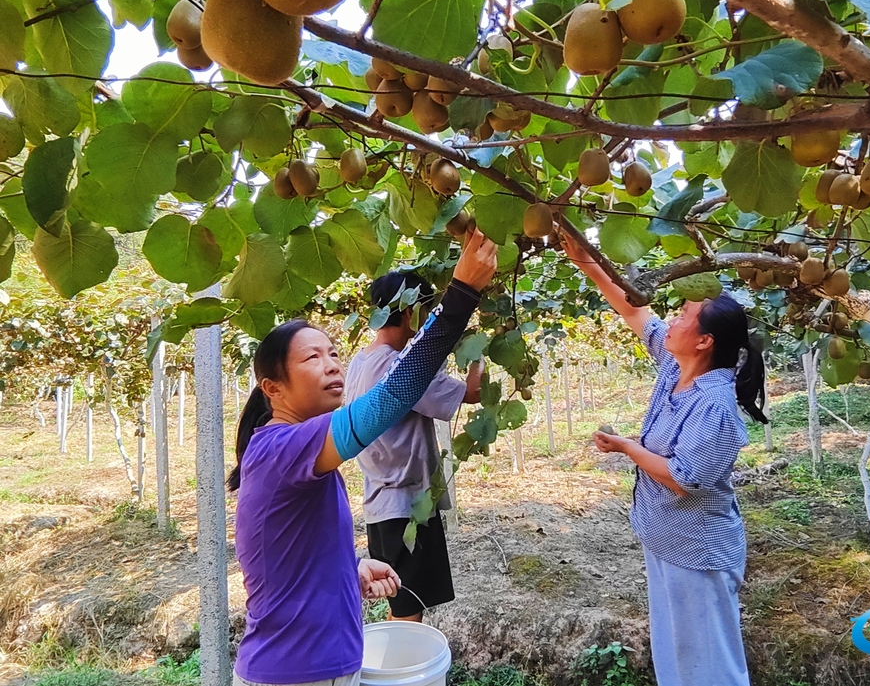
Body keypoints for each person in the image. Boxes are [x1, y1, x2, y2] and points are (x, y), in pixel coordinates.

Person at [228, 230, 498, 686]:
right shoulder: (282, 449)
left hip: (317, 667)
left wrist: (349, 571)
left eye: (333, 352)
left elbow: (289, 556)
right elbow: (394, 396)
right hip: (295, 674)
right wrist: (462, 294)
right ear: (272, 389)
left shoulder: (296, 453)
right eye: (312, 357)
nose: (333, 364)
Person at [561, 234, 768, 686]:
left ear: (704, 341)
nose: (672, 320)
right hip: (668, 541)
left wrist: (629, 448)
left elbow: (683, 480)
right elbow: (635, 311)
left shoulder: (714, 406)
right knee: (679, 656)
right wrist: (587, 262)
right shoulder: (676, 368)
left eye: (684, 316)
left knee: (711, 667)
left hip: (699, 553)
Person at [344, 270, 483, 622]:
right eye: (426, 310)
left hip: (379, 503)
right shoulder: (402, 367)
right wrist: (478, 353)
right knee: (409, 613)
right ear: (410, 312)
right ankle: (400, 674)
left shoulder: (359, 363)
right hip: (407, 507)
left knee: (401, 604)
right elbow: (472, 393)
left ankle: (399, 670)